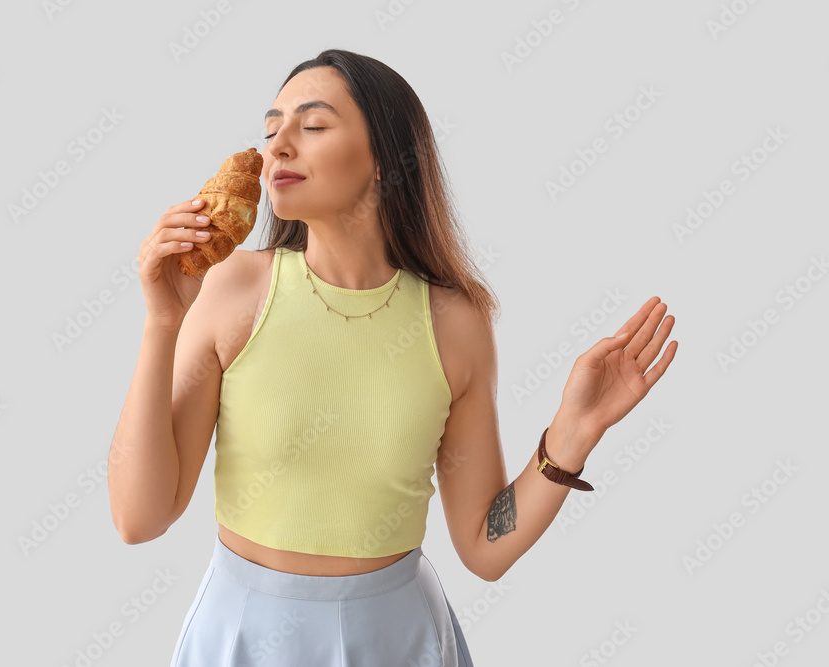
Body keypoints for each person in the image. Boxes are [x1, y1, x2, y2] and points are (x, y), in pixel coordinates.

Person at [107, 49, 678, 666]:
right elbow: (140, 518)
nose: (276, 147)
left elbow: (486, 546)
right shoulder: (233, 289)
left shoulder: (455, 320)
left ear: (384, 158)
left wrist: (572, 432)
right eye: (272, 129)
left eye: (313, 125)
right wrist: (162, 323)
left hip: (399, 640)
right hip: (244, 637)